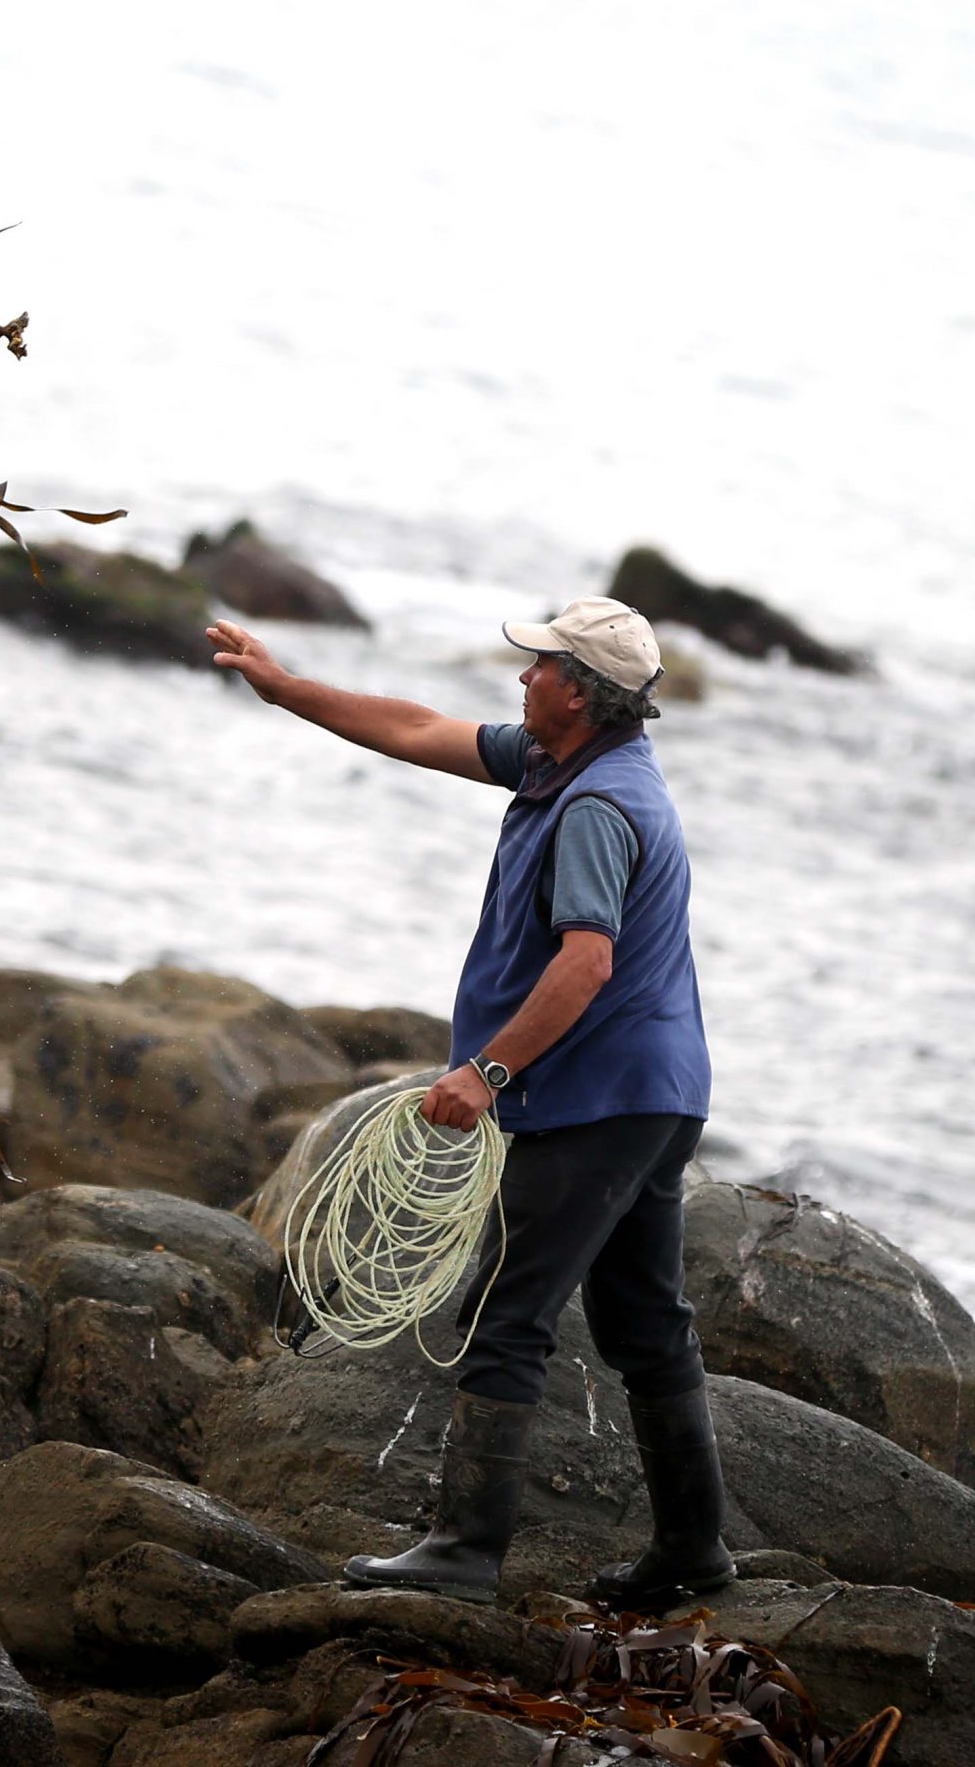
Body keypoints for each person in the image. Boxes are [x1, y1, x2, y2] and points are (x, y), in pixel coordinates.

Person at [207, 596, 726, 1607]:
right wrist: (283, 687)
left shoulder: (592, 809)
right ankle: (692, 1554)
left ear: (577, 691)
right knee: (645, 1323)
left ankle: (465, 1548)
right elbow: (410, 727)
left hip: (598, 1102)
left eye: (536, 667)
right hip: (654, 1096)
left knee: (506, 1310)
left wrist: (482, 1072)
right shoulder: (562, 760)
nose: (519, 678)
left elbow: (584, 964)